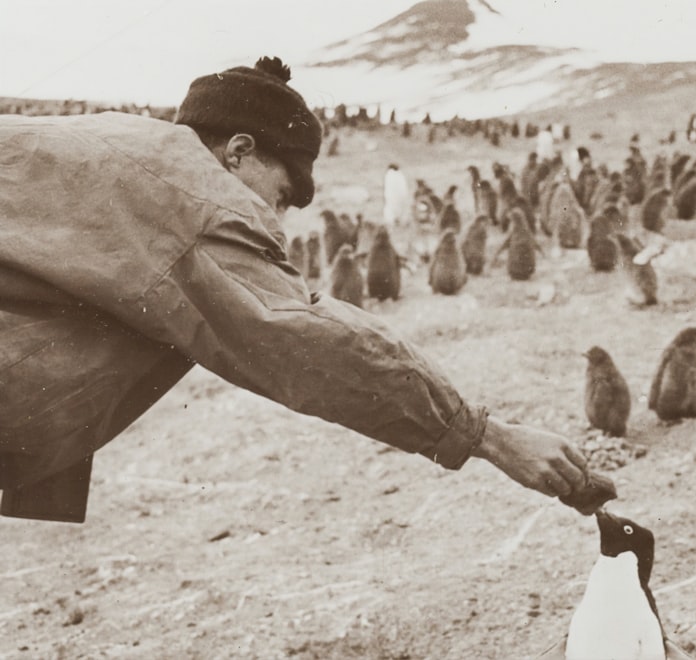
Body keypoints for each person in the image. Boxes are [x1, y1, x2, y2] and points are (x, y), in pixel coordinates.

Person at [0, 56, 601, 523]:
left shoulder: (114, 142)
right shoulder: (195, 200)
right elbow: (303, 339)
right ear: (239, 152)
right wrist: (488, 436)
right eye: (281, 197)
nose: (277, 221)